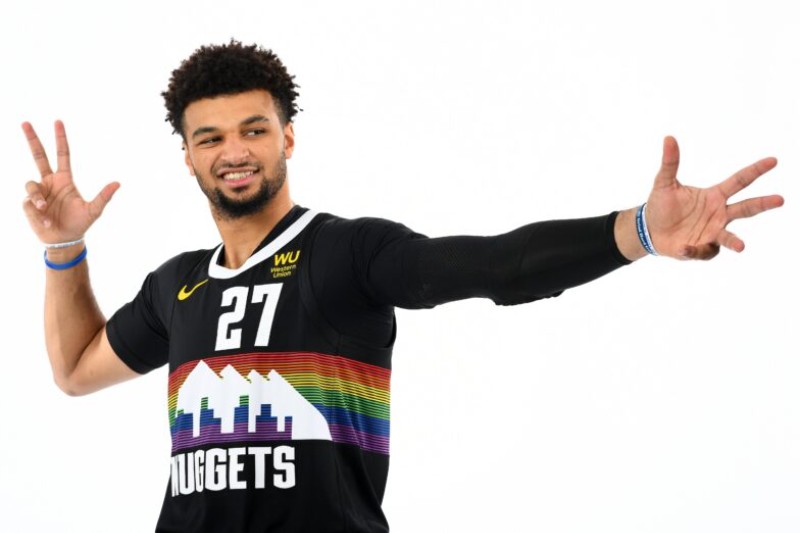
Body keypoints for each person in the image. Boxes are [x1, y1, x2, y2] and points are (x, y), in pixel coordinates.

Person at [21, 40, 784, 533]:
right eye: (210, 137)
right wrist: (64, 248)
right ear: (187, 157)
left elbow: (499, 266)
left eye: (254, 129)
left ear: (288, 137)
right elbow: (77, 367)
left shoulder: (347, 252)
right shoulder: (176, 284)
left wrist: (637, 230)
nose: (235, 151)